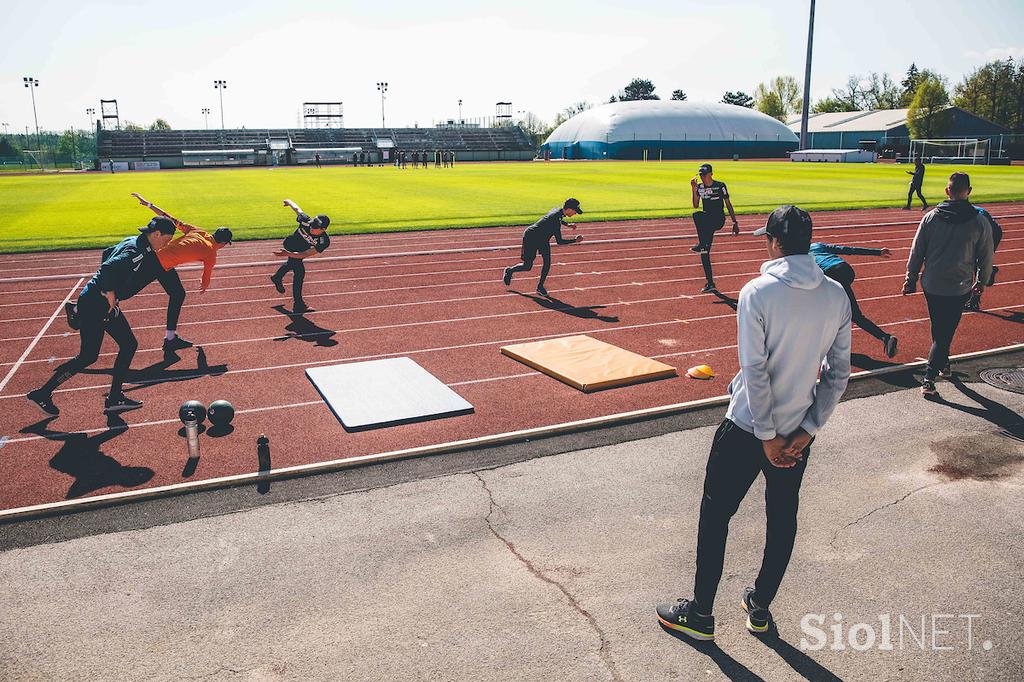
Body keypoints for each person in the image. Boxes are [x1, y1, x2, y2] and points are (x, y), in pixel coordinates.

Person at [657, 205, 851, 641]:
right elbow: (838, 374)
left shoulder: (757, 292)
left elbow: (756, 371)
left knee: (716, 515)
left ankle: (701, 615)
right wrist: (806, 431)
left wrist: (766, 436)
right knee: (782, 519)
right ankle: (760, 606)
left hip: (748, 428)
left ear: (774, 241)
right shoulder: (836, 295)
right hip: (799, 432)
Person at [28, 219, 178, 415]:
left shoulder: (133, 241)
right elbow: (108, 267)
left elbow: (106, 252)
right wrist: (109, 292)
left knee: (126, 345)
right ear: (157, 234)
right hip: (96, 305)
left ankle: (114, 397)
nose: (166, 244)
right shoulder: (136, 253)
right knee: (91, 356)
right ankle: (43, 393)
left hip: (96, 302)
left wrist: (109, 293)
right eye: (167, 239)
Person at [903, 172, 993, 399]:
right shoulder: (979, 221)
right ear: (969, 192)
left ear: (947, 191)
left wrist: (910, 278)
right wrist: (981, 281)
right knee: (945, 331)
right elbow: (986, 256)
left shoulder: (931, 217)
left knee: (939, 327)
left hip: (931, 284)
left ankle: (943, 364)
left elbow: (917, 250)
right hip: (959, 286)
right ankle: (929, 378)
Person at [128, 193, 233, 351]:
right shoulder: (211, 253)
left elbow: (169, 218)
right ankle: (81, 310)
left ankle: (170, 338)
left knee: (177, 294)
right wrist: (204, 286)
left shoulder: (198, 231)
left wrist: (149, 204)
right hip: (158, 264)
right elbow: (206, 276)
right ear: (224, 243)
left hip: (158, 258)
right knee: (125, 291)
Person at [809, 241, 899, 358]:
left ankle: (825, 345)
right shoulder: (817, 245)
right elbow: (847, 249)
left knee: (828, 313)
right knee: (853, 314)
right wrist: (877, 252)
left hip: (830, 275)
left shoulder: (798, 256)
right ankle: (886, 338)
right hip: (845, 269)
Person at [503, 198, 584, 297]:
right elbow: (559, 241)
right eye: (575, 211)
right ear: (569, 209)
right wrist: (575, 240)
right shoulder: (555, 220)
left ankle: (540, 287)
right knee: (527, 266)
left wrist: (567, 225)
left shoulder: (558, 211)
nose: (575, 214)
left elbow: (559, 218)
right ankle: (510, 270)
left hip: (543, 239)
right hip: (531, 237)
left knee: (547, 262)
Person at [270, 199, 331, 314]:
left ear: (323, 229)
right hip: (290, 244)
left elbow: (306, 254)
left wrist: (288, 254)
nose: (311, 228)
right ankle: (298, 305)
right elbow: (297, 209)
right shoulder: (306, 221)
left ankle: (277, 277)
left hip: (301, 251)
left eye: (315, 227)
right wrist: (289, 202)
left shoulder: (323, 241)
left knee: (292, 263)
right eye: (312, 225)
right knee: (299, 272)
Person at [690, 163, 740, 293]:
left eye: (704, 175)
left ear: (711, 174)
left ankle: (702, 244)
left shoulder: (720, 186)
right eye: (701, 175)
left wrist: (734, 222)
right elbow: (695, 205)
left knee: (699, 216)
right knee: (704, 252)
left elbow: (728, 204)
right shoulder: (700, 187)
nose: (702, 178)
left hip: (718, 220)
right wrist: (694, 189)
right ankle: (710, 282)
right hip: (707, 222)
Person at [964, 205, 1002, 311]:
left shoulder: (975, 216)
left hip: (992, 233)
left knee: (979, 263)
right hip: (980, 231)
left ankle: (974, 301)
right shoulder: (961, 211)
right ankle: (989, 272)